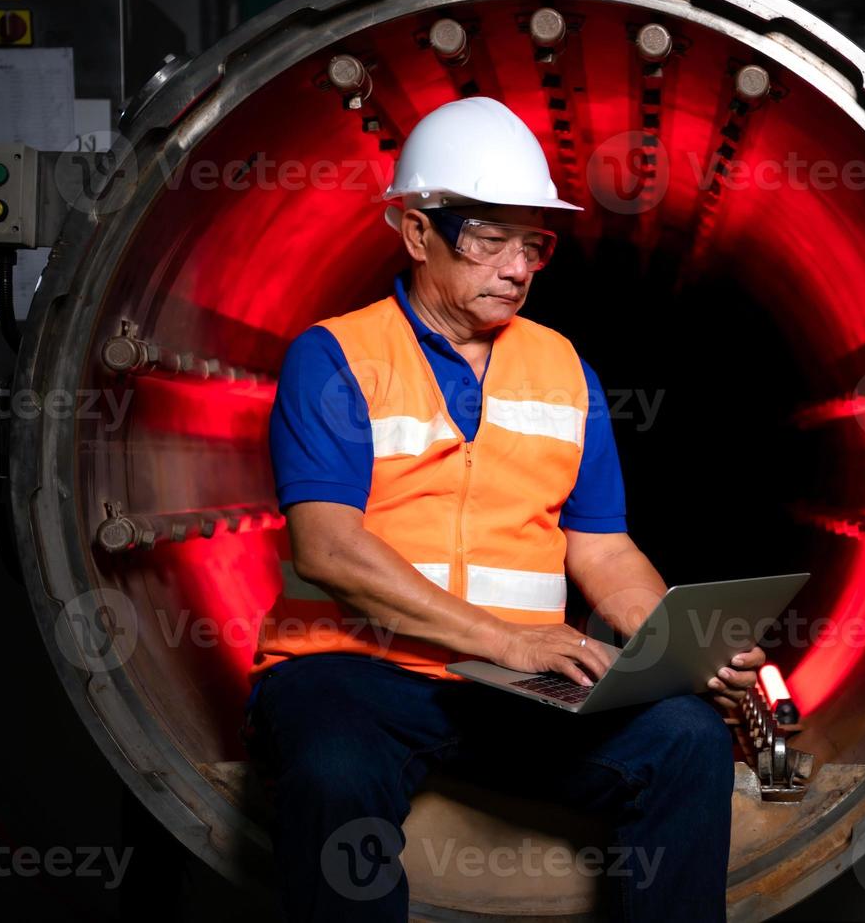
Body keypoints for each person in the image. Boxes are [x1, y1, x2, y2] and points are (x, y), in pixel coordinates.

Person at [243, 97, 764, 922]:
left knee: (685, 738)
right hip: (351, 673)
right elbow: (328, 549)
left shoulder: (563, 367)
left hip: (514, 689)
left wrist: (680, 643)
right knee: (333, 775)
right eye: (490, 238)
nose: (516, 268)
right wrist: (508, 638)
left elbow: (603, 549)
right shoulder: (335, 356)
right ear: (417, 233)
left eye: (534, 245)